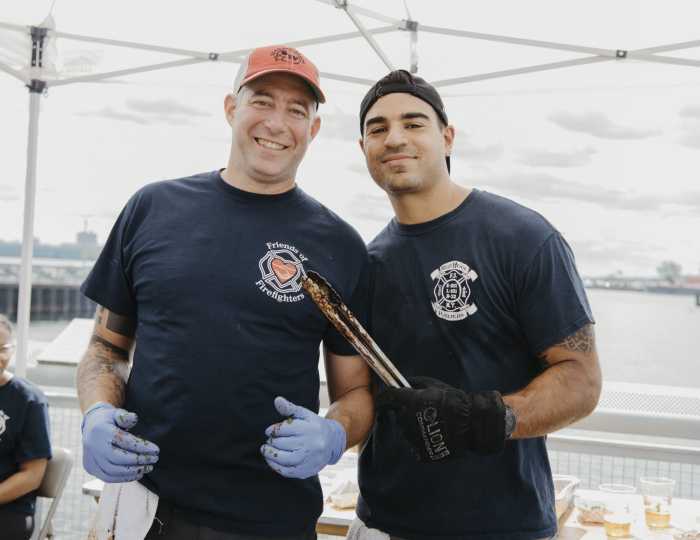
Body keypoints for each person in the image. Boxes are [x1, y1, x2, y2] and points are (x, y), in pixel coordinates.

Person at [77, 45, 373, 540]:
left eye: (297, 110)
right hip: (143, 507)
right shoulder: (152, 208)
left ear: (314, 128)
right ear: (231, 107)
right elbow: (105, 350)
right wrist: (97, 413)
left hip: (270, 519)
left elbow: (357, 392)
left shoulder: (340, 246)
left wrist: (334, 433)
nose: (276, 122)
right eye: (262, 100)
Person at [349, 70, 602, 540]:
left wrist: (483, 417)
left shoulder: (524, 238)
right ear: (363, 148)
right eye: (378, 128)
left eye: (413, 123)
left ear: (447, 137)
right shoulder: (368, 263)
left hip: (503, 526)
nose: (395, 138)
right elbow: (358, 395)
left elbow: (581, 382)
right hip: (381, 523)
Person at [0, 315, 52, 540]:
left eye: (1, 349)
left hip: (9, 510)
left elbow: (32, 475)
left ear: (11, 350)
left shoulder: (28, 400)